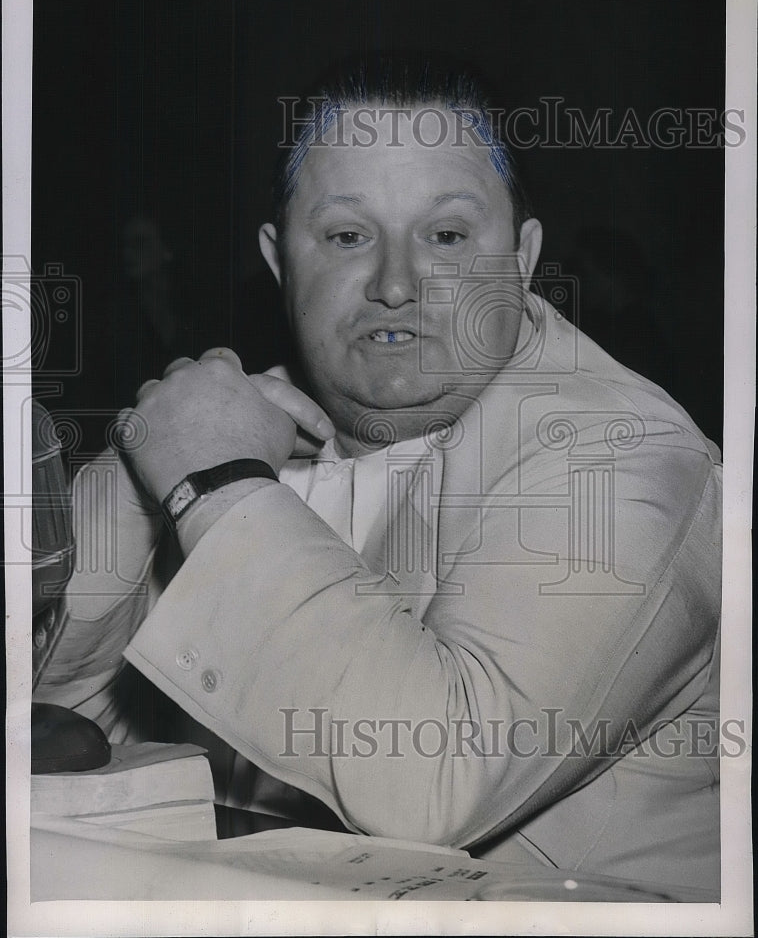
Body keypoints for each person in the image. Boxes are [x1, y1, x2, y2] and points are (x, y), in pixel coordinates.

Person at [35, 54, 721, 896]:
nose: (396, 284)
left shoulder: (622, 456)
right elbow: (66, 738)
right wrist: (143, 481)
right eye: (347, 236)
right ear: (281, 260)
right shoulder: (242, 433)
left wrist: (206, 481)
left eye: (446, 236)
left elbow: (432, 779)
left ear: (523, 255)